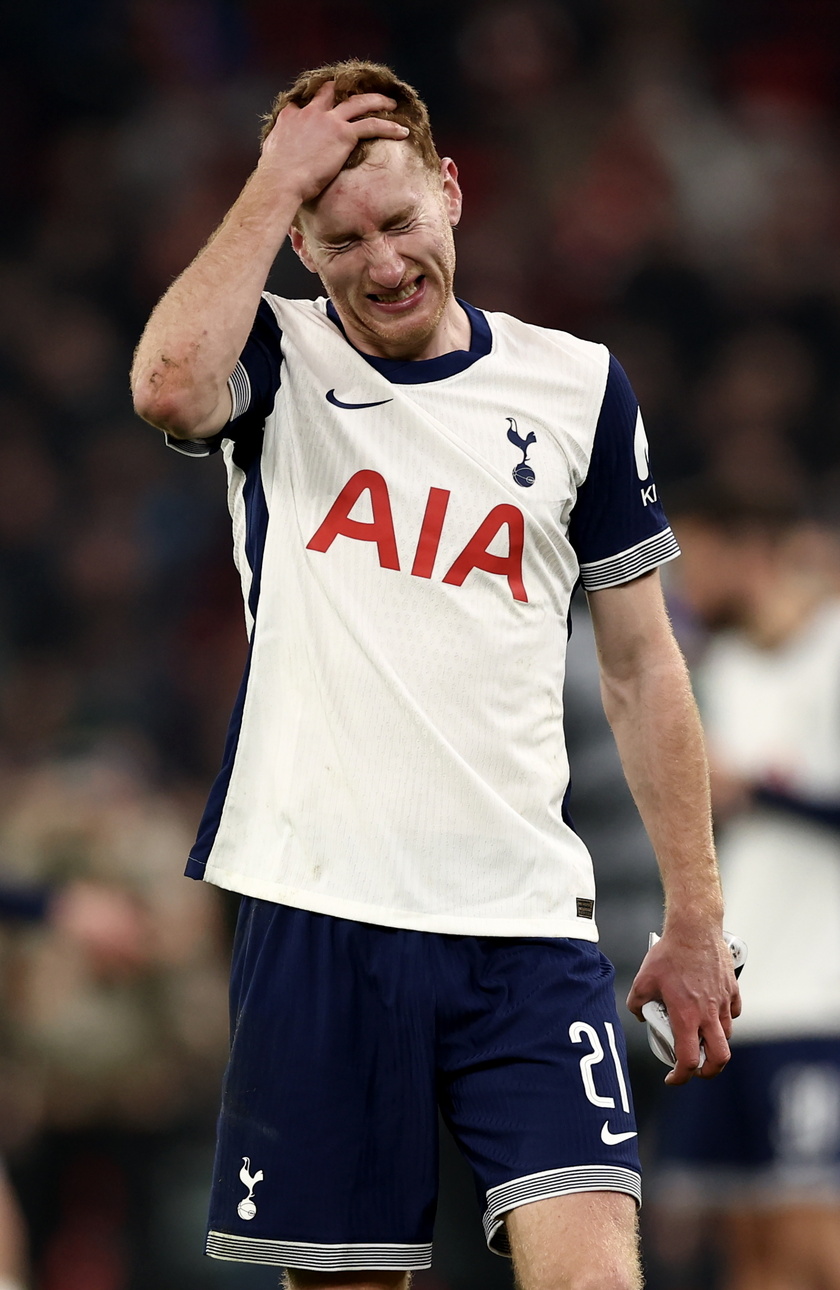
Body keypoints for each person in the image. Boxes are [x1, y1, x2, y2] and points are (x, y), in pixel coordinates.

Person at [130, 59, 739, 1290]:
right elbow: (166, 388)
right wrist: (271, 180)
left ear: (453, 192)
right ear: (300, 241)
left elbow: (640, 664)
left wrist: (696, 913)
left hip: (523, 923)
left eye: (401, 222)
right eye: (341, 236)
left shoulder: (576, 386)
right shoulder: (275, 357)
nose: (383, 262)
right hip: (321, 908)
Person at [651, 493, 840, 1290]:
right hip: (734, 995)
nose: (685, 588)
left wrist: (757, 788)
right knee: (744, 1245)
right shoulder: (713, 674)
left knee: (813, 1237)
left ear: (752, 552)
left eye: (699, 563)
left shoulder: (832, 655)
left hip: (818, 997)